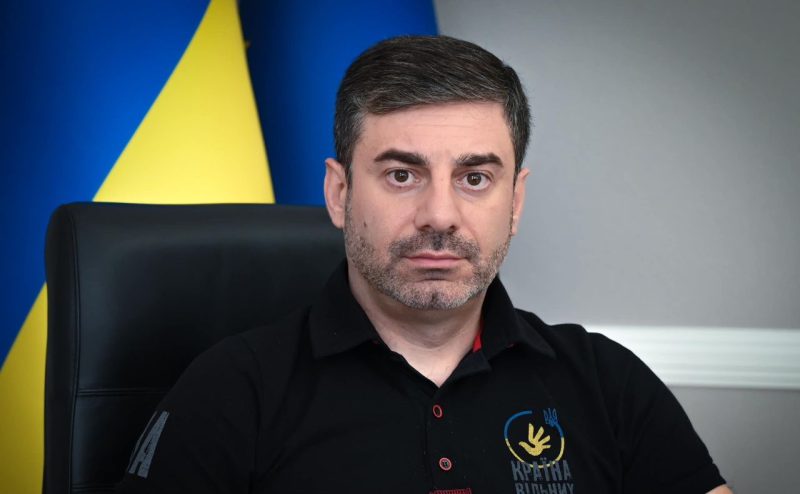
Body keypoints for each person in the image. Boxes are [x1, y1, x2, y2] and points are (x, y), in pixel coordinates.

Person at [118, 35, 731, 494]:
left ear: (515, 202)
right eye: (402, 175)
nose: (440, 215)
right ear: (339, 194)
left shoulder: (608, 383)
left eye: (474, 177)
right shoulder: (232, 390)